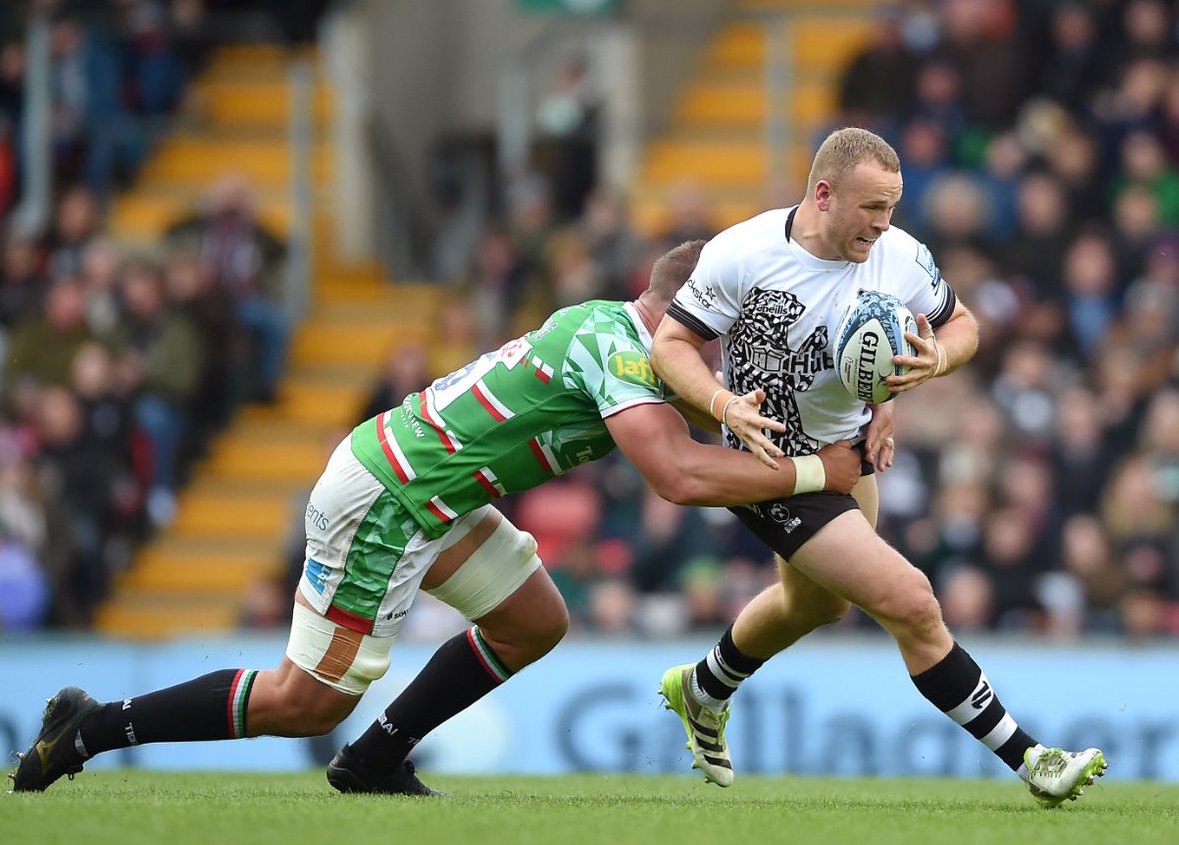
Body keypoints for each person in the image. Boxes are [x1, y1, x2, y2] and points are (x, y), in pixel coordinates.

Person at [11, 240, 866, 796]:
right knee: (304, 701)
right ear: (695, 316)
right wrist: (816, 469)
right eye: (727, 330)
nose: (733, 351)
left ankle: (378, 754)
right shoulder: (622, 353)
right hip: (392, 496)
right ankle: (92, 727)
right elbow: (677, 478)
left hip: (437, 491)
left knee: (534, 619)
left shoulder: (618, 336)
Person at [650, 127, 1107, 807]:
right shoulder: (742, 254)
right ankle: (1032, 760)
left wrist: (930, 365)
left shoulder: (897, 255)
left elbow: (964, 326)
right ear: (824, 194)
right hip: (770, 457)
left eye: (890, 206)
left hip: (848, 452)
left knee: (818, 603)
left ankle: (704, 688)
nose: (882, 223)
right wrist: (722, 404)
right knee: (911, 601)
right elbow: (672, 343)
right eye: (870, 207)